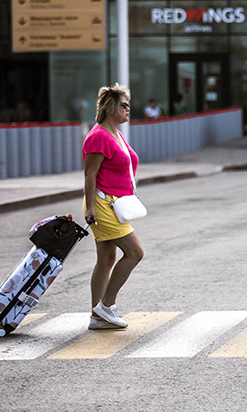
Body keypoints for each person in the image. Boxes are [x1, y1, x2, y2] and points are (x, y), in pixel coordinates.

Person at [83, 84, 146, 330]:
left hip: (114, 203)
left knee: (107, 258)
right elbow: (90, 174)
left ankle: (97, 316)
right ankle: (106, 306)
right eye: (124, 105)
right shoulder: (98, 136)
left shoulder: (115, 134)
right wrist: (90, 208)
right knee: (135, 252)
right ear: (111, 108)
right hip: (101, 204)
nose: (128, 109)